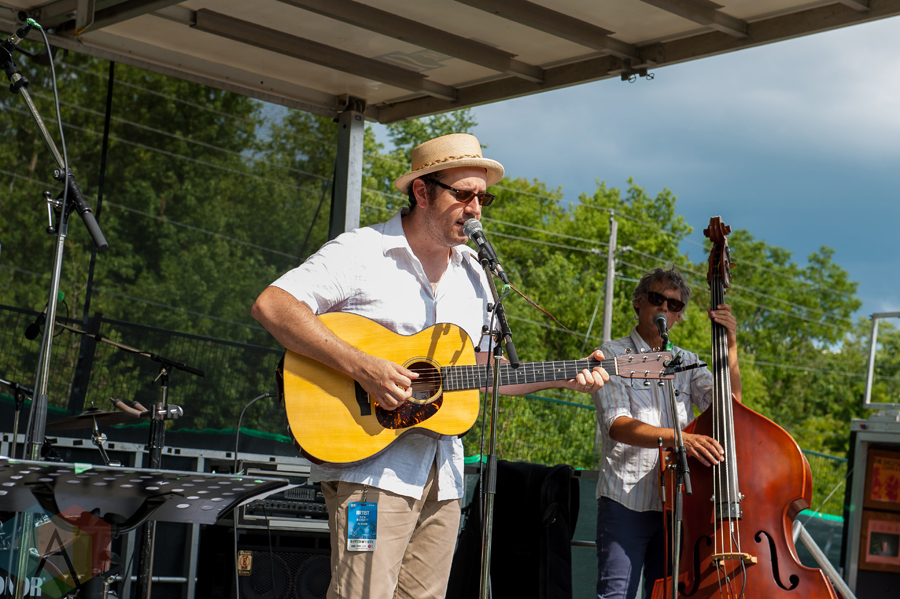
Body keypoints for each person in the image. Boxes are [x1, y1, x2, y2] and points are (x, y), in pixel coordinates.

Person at [252, 133, 610, 599]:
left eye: (483, 198)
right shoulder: (362, 251)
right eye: (463, 194)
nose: (475, 208)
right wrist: (363, 367)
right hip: (370, 469)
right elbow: (273, 305)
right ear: (422, 192)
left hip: (444, 476)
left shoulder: (474, 272)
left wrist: (564, 376)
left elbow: (480, 369)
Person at [592, 266, 742, 599]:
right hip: (625, 499)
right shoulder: (612, 355)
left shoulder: (687, 361)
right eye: (657, 298)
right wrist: (681, 439)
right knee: (616, 596)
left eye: (673, 305)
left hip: (678, 505)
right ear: (638, 301)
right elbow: (617, 425)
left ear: (679, 316)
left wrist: (730, 346)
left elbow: (731, 411)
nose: (664, 308)